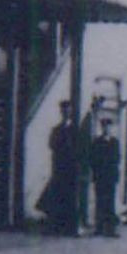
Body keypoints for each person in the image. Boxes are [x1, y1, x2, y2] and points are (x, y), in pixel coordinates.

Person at [39, 100, 81, 235]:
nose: (65, 114)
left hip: (71, 169)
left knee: (71, 198)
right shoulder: (56, 130)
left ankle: (71, 227)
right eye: (63, 111)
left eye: (68, 111)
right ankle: (57, 226)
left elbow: (80, 148)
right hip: (58, 168)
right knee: (58, 197)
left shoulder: (76, 130)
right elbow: (52, 145)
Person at [90, 115, 122, 237]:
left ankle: (111, 229)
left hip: (111, 177)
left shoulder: (115, 142)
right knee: (100, 203)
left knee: (110, 203)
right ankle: (99, 228)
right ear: (101, 128)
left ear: (111, 128)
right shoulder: (96, 142)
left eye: (108, 127)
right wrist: (98, 170)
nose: (106, 129)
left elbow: (117, 158)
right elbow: (93, 159)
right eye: (104, 126)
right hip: (100, 176)